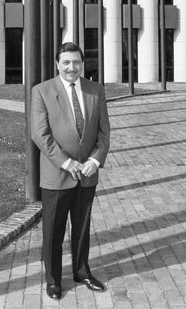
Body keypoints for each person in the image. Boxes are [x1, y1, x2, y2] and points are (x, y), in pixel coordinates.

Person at [31, 42, 110, 300]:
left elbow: (103, 134)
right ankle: (53, 280)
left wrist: (95, 161)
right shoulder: (42, 91)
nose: (71, 67)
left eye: (76, 62)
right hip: (57, 174)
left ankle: (82, 271)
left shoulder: (95, 90)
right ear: (57, 64)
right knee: (53, 230)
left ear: (82, 64)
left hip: (87, 174)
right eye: (66, 62)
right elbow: (40, 135)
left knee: (82, 227)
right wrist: (67, 162)